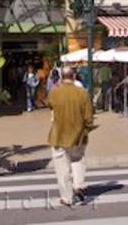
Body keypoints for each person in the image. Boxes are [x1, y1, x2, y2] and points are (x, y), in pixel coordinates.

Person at [46, 66, 94, 208]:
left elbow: (49, 106)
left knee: (62, 167)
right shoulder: (82, 93)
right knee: (78, 160)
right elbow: (88, 117)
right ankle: (78, 185)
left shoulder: (54, 93)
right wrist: (87, 129)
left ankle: (66, 197)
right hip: (78, 134)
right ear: (74, 77)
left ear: (61, 77)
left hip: (59, 134)